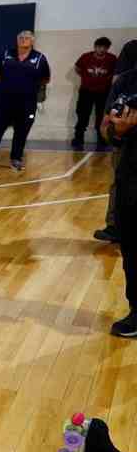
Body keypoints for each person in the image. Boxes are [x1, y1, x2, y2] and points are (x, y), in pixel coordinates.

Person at [0, 31, 51, 172]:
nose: (23, 40)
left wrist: (32, 89)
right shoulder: (6, 55)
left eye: (27, 38)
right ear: (17, 40)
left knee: (21, 132)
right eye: (20, 38)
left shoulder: (40, 58)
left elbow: (45, 78)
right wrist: (8, 86)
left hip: (27, 103)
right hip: (5, 101)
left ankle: (16, 160)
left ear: (32, 41)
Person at [105, 45, 137, 337]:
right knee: (131, 245)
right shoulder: (126, 82)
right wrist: (120, 131)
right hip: (132, 174)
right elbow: (107, 129)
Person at [96, 41, 137, 244]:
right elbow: (105, 124)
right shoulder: (124, 81)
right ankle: (115, 226)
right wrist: (117, 132)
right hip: (127, 147)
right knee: (120, 183)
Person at [74, 36, 118, 151]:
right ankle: (78, 140)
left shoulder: (112, 59)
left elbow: (116, 73)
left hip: (104, 93)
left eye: (105, 48)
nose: (102, 50)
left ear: (108, 48)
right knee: (82, 116)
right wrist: (86, 78)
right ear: (95, 47)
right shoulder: (85, 57)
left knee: (102, 118)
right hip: (86, 91)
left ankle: (102, 141)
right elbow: (77, 69)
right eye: (99, 47)